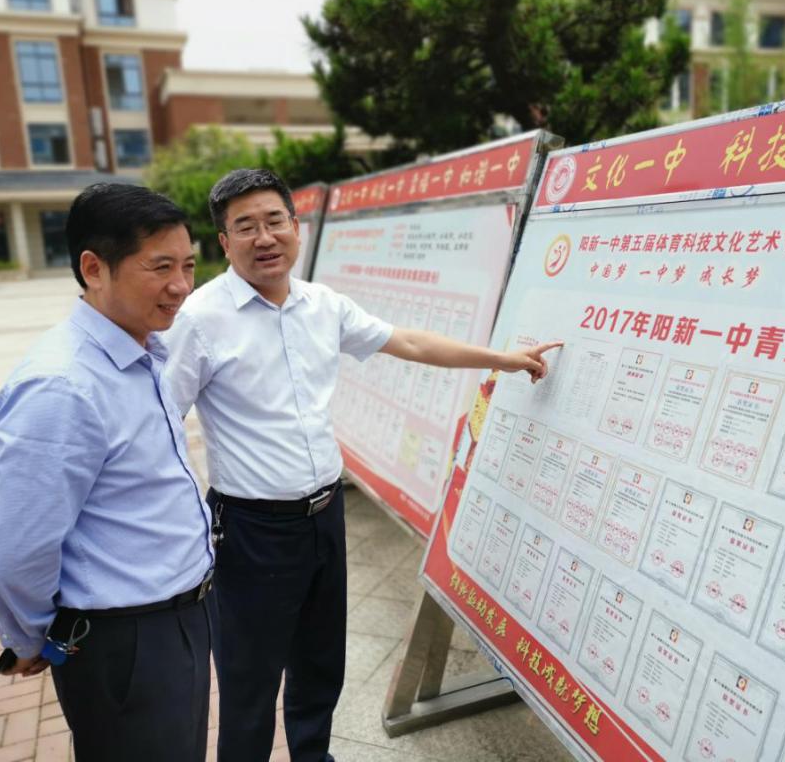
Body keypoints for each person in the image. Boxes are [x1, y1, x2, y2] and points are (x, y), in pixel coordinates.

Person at [163, 168, 561, 762]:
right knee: (250, 683)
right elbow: (163, 425)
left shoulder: (323, 305)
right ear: (224, 241)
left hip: (325, 517)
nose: (264, 237)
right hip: (251, 531)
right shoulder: (198, 320)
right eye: (245, 227)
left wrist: (499, 359)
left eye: (274, 221)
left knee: (320, 665)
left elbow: (411, 343)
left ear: (295, 227)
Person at [0, 184, 215, 762]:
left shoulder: (141, 352)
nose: (182, 286)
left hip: (177, 618)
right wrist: (29, 637)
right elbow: (14, 554)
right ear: (93, 268)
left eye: (188, 265)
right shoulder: (62, 387)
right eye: (160, 267)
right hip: (125, 642)